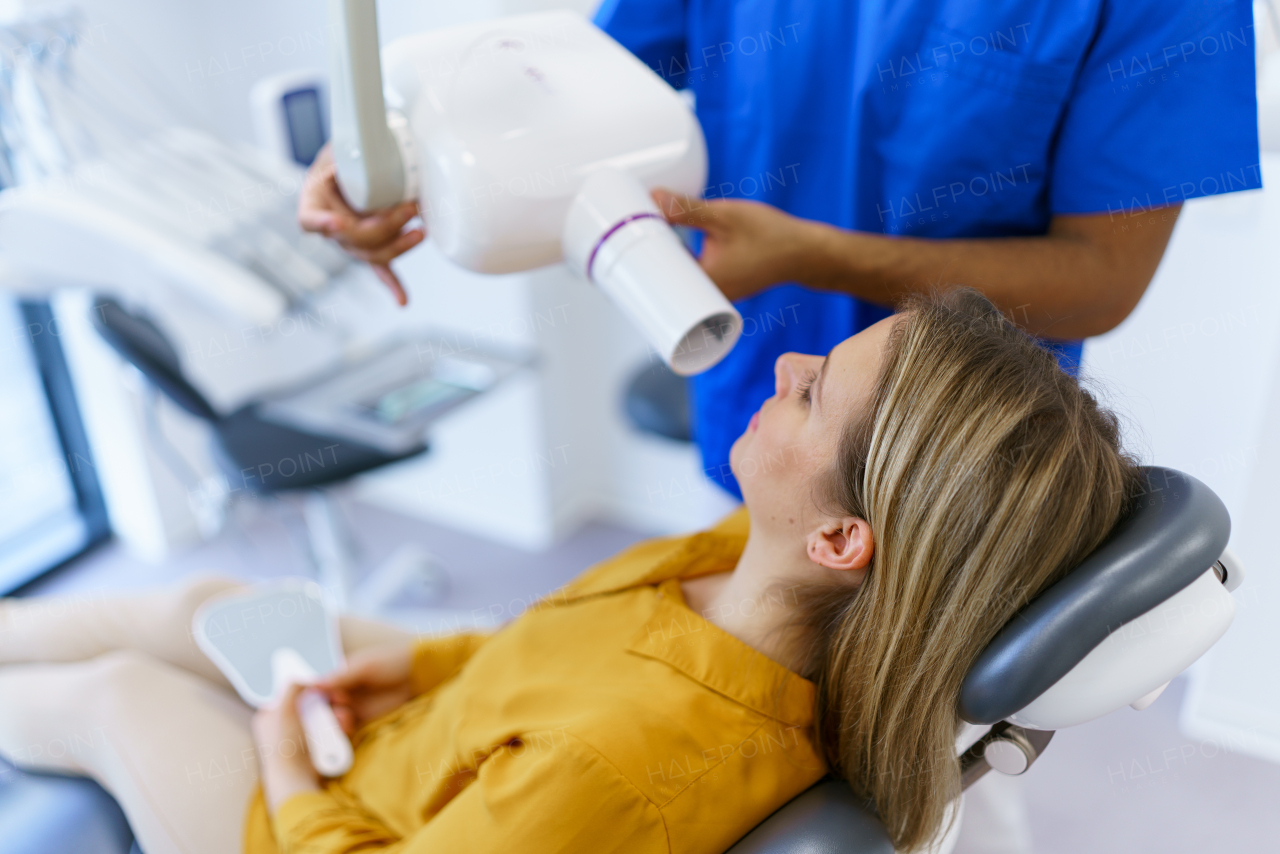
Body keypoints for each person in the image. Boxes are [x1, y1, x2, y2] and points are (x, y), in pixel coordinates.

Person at [0, 289, 1143, 854]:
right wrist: (416, 665)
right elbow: (545, 650)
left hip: (327, 822)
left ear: (844, 541)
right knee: (219, 606)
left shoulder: (625, 762)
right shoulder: (728, 564)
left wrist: (282, 761)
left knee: (124, 694)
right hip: (424, 739)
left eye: (810, 391)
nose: (786, 355)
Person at [300, 0, 1260, 503]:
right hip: (760, 406)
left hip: (957, 466)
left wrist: (820, 256)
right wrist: (390, 161)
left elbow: (1100, 282)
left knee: (933, 780)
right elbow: (576, 88)